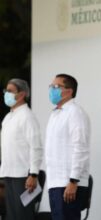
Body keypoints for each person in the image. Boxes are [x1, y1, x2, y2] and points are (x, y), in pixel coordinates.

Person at [45, 74, 91, 220]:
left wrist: (73, 180)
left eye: (56, 87)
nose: (52, 89)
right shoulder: (55, 114)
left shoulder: (75, 112)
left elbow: (81, 148)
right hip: (55, 182)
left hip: (69, 183)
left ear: (69, 91)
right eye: (51, 86)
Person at [0, 78, 43, 220]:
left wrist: (33, 174)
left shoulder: (27, 116)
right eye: (5, 91)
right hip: (8, 174)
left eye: (10, 91)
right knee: (11, 215)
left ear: (22, 94)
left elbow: (36, 147)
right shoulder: (8, 117)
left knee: (22, 215)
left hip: (24, 177)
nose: (6, 93)